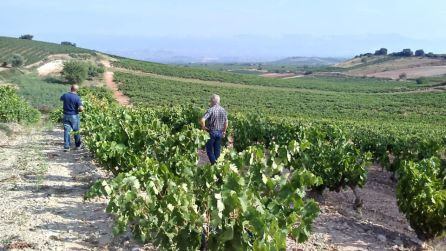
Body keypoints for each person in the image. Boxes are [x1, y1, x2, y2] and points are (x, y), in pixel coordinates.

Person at [200, 94, 228, 165]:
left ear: (213, 101)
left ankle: (214, 164)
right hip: (220, 132)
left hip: (211, 132)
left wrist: (204, 128)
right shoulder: (223, 110)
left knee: (209, 150)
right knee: (217, 151)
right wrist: (224, 131)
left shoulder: (211, 110)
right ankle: (218, 166)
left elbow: (202, 120)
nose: (210, 103)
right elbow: (226, 122)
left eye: (210, 101)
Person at [60, 84, 84, 152]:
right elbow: (81, 109)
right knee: (76, 131)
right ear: (77, 90)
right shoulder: (77, 98)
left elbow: (61, 99)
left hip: (65, 115)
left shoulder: (65, 95)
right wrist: (79, 110)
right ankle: (78, 145)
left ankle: (66, 147)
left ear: (71, 88)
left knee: (66, 131)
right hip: (74, 115)